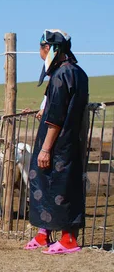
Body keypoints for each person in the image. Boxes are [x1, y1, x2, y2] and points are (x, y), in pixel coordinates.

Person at [24, 29, 89, 255]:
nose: (40, 54)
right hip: (68, 140)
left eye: (41, 49)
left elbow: (57, 116)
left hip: (57, 143)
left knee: (60, 186)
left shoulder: (62, 75)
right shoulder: (77, 73)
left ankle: (69, 239)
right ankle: (44, 233)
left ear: (50, 49)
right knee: (45, 181)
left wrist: (45, 149)